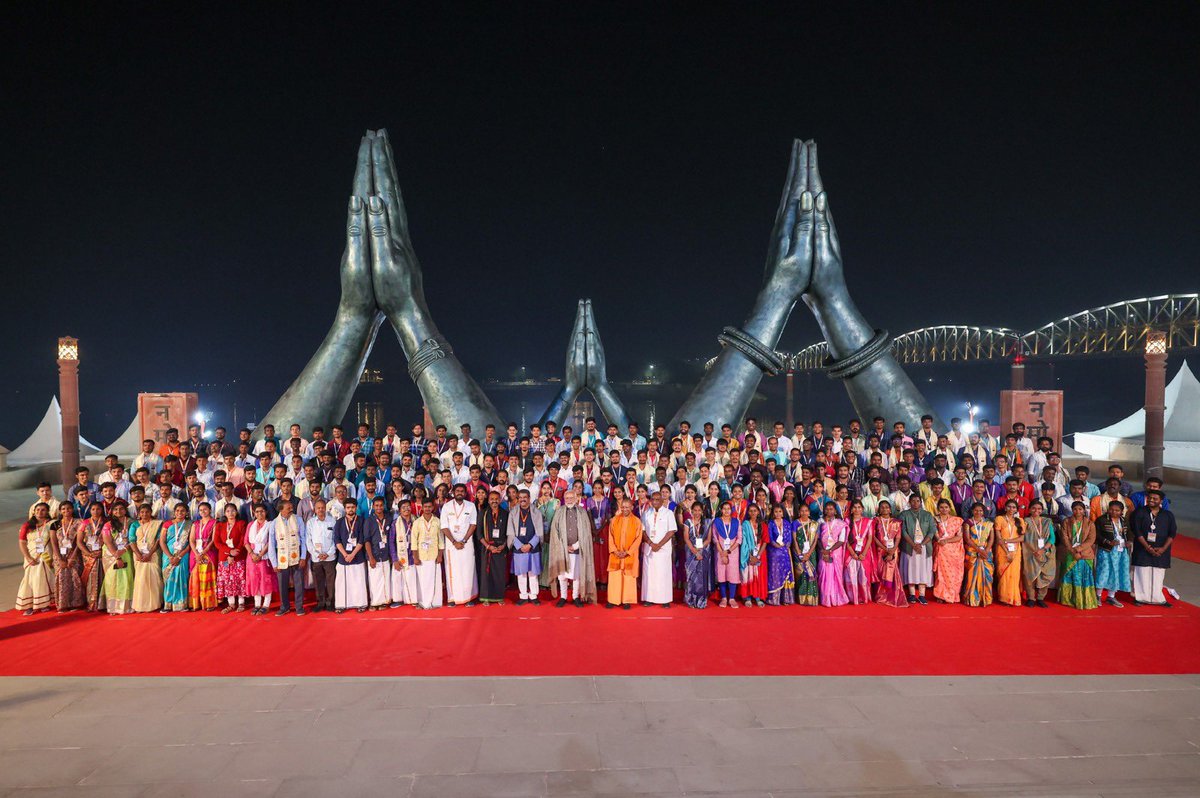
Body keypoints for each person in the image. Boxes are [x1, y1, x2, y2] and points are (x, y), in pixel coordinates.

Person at [548, 488, 597, 606]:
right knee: (562, 576)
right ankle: (563, 597)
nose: (569, 500)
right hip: (562, 550)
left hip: (577, 549)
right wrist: (564, 546)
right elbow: (555, 532)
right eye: (567, 498)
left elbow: (586, 532)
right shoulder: (559, 512)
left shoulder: (582, 512)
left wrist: (575, 546)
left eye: (571, 498)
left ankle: (575, 597)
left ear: (576, 499)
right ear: (564, 500)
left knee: (576, 575)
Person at [1130, 490, 1176, 607]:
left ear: (1161, 501)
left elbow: (1172, 533)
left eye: (1154, 499)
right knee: (1142, 573)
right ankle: (1140, 598)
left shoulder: (1168, 515)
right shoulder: (1139, 512)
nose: (1151, 500)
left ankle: (1158, 599)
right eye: (1149, 498)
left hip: (1161, 550)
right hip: (1142, 548)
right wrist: (1147, 547)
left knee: (1158, 574)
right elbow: (1137, 531)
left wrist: (1163, 549)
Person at [439, 484, 478, 607]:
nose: (459, 493)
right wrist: (454, 542)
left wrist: (464, 540)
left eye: (462, 491)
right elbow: (444, 526)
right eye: (457, 491)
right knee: (453, 570)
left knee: (468, 570)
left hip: (467, 543)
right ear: (453, 492)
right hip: (452, 544)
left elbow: (473, 525)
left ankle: (469, 597)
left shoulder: (471, 506)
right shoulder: (446, 506)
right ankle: (452, 598)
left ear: (465, 493)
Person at [269, 500, 308, 615]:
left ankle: (299, 607)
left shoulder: (298, 519)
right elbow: (271, 544)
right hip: (282, 558)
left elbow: (303, 538)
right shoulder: (274, 523)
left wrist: (303, 556)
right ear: (281, 510)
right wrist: (274, 563)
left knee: (299, 584)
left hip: (296, 557)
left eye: (292, 507)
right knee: (282, 585)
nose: (291, 509)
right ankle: (284, 607)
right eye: (288, 508)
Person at [1058, 501, 1099, 610]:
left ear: (1084, 510)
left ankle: (1085, 599)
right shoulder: (1066, 522)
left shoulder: (1090, 523)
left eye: (1080, 509)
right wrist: (1072, 551)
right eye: (1075, 509)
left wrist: (1078, 549)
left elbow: (1091, 539)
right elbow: (1064, 537)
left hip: (1085, 554)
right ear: (1072, 510)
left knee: (1084, 577)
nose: (1078, 511)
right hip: (1070, 553)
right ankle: (1068, 599)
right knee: (1070, 576)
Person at [16, 503, 55, 615]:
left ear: (47, 511)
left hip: (46, 555)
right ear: (34, 511)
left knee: (43, 578)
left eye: (43, 510)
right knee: (30, 579)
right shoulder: (27, 525)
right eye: (37, 510)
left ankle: (43, 603)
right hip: (31, 556)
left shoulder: (51, 524)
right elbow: (22, 543)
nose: (40, 512)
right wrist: (28, 557)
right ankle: (29, 604)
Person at [508, 489, 544, 605]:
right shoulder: (513, 512)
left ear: (529, 498)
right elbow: (510, 531)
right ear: (518, 499)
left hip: (533, 547)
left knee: (533, 573)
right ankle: (523, 596)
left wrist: (530, 545)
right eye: (520, 497)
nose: (522, 499)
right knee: (521, 573)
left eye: (525, 497)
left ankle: (533, 596)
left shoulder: (536, 512)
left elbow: (539, 531)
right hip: (519, 548)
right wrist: (519, 545)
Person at [640, 492, 676, 608]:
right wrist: (651, 543)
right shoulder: (646, 514)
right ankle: (649, 598)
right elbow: (642, 531)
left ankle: (665, 599)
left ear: (662, 500)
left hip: (663, 549)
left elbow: (671, 531)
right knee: (649, 574)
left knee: (663, 574)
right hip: (649, 548)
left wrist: (659, 545)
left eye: (657, 499)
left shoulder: (668, 513)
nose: (655, 501)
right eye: (653, 499)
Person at [606, 498, 643, 609]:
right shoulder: (614, 520)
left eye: (627, 507)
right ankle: (613, 600)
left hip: (629, 555)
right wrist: (615, 550)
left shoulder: (637, 521)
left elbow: (638, 539)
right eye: (623, 507)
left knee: (628, 577)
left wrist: (628, 552)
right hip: (616, 554)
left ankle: (627, 600)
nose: (625, 509)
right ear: (620, 507)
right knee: (615, 577)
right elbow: (610, 536)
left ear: (632, 507)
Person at [899, 494, 935, 605]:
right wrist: (913, 545)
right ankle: (912, 594)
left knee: (923, 570)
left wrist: (922, 544)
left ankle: (922, 595)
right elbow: (903, 531)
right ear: (909, 502)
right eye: (913, 501)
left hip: (924, 547)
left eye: (918, 501)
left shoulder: (928, 515)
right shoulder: (904, 515)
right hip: (910, 547)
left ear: (921, 502)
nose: (915, 503)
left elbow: (932, 531)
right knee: (911, 569)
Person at [1094, 499, 1130, 608]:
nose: (1114, 512)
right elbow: (1097, 535)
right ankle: (1098, 596)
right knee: (1103, 572)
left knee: (1117, 572)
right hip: (1106, 550)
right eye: (1112, 510)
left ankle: (1111, 596)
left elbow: (1130, 533)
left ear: (1121, 511)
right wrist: (1109, 542)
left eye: (1117, 510)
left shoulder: (1124, 521)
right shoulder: (1101, 520)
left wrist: (1129, 541)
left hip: (1121, 551)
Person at [100, 501, 134, 614]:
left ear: (125, 510)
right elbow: (108, 541)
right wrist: (117, 556)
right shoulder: (108, 525)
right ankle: (113, 607)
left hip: (128, 552)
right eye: (115, 510)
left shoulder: (132, 523)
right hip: (111, 555)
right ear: (112, 512)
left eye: (121, 509)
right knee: (112, 579)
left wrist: (124, 550)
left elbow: (134, 539)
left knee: (127, 578)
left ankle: (127, 607)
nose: (118, 511)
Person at [50, 503, 85, 611]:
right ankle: (62, 604)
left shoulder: (79, 522)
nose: (66, 510)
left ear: (72, 509)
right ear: (60, 511)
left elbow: (80, 541)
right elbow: (54, 543)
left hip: (75, 554)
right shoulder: (55, 524)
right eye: (63, 509)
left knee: (74, 578)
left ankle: (76, 603)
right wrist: (59, 559)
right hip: (59, 555)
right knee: (61, 579)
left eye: (68, 508)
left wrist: (73, 556)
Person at [130, 504, 164, 613]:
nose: (144, 514)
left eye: (147, 512)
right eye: (142, 512)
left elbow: (158, 540)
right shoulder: (134, 525)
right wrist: (138, 554)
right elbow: (132, 540)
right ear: (138, 513)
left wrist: (150, 554)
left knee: (155, 579)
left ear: (151, 512)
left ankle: (155, 604)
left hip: (153, 555)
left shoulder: (157, 524)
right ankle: (141, 604)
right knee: (141, 580)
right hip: (139, 555)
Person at [1021, 500, 1056, 608]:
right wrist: (1033, 550)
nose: (1036, 511)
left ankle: (1041, 598)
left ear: (1042, 510)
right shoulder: (1025, 521)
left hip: (1046, 553)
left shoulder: (1047, 521)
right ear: (1029, 509)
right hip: (1030, 552)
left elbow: (1052, 538)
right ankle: (1031, 598)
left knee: (1045, 575)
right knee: (1029, 575)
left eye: (1039, 509)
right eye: (1034, 508)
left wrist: (1043, 550)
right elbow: (1023, 537)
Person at [872, 501, 906, 607]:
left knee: (892, 572)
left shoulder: (896, 522)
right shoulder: (875, 521)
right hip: (879, 550)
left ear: (890, 510)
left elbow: (898, 537)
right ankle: (880, 596)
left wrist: (892, 550)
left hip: (893, 551)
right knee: (880, 572)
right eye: (882, 507)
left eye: (887, 507)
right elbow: (873, 537)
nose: (885, 509)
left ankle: (892, 596)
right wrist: (884, 548)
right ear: (879, 510)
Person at [243, 503, 276, 615]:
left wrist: (260, 555)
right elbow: (246, 541)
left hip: (264, 556)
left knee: (266, 579)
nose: (259, 514)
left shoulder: (270, 524)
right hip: (251, 557)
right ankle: (257, 604)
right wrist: (252, 554)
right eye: (257, 512)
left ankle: (266, 604)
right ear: (254, 513)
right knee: (254, 579)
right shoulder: (250, 525)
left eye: (262, 511)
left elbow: (270, 542)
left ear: (266, 512)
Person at [215, 503, 248, 613]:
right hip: (224, 559)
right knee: (227, 580)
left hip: (238, 557)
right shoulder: (220, 526)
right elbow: (217, 542)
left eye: (233, 510)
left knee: (239, 579)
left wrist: (234, 554)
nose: (231, 513)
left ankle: (241, 603)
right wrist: (229, 552)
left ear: (237, 512)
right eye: (228, 511)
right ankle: (231, 604)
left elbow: (243, 540)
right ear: (224, 513)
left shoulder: (241, 524)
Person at [412, 499, 445, 609]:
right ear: (422, 507)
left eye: (429, 507)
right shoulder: (417, 523)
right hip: (421, 556)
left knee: (434, 579)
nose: (427, 509)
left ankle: (435, 602)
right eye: (425, 507)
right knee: (423, 580)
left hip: (434, 555)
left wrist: (440, 555)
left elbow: (441, 540)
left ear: (433, 508)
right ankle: (424, 602)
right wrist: (415, 557)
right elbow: (414, 541)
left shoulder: (437, 521)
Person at [477, 491, 509, 604]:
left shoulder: (505, 513)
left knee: (499, 573)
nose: (494, 501)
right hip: (487, 548)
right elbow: (479, 534)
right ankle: (486, 598)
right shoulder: (483, 513)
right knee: (486, 574)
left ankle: (499, 597)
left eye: (496, 499)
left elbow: (508, 532)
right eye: (492, 499)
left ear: (500, 500)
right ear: (488, 500)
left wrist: (504, 545)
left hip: (501, 547)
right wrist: (488, 546)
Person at [681, 501, 713, 608]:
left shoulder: (708, 522)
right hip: (690, 552)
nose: (697, 512)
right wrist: (695, 551)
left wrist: (700, 549)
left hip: (703, 551)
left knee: (701, 576)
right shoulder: (688, 522)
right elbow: (686, 538)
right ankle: (690, 599)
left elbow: (708, 539)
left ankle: (701, 600)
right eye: (695, 510)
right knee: (691, 576)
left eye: (699, 510)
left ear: (702, 511)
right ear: (691, 511)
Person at [188, 502, 219, 611]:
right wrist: (197, 553)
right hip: (195, 553)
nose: (203, 512)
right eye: (200, 510)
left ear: (210, 510)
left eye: (205, 509)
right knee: (196, 577)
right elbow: (191, 540)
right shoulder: (195, 523)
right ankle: (196, 604)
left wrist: (204, 551)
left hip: (208, 552)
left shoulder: (214, 522)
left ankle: (209, 603)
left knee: (207, 577)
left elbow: (213, 539)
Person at [817, 502, 849, 607]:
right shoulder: (820, 522)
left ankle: (836, 598)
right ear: (824, 510)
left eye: (831, 509)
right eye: (827, 509)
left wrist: (829, 550)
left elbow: (841, 540)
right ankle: (825, 598)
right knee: (824, 574)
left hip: (835, 553)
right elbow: (817, 538)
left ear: (835, 511)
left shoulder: (841, 523)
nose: (829, 511)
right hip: (823, 552)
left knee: (835, 576)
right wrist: (823, 550)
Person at [932, 499, 964, 603]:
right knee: (941, 574)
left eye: (946, 507)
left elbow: (959, 537)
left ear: (950, 508)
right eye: (941, 507)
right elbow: (935, 534)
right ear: (938, 508)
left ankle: (952, 595)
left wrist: (947, 540)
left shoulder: (957, 520)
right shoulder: (935, 520)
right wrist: (940, 540)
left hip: (955, 552)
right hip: (941, 550)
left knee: (954, 575)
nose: (944, 509)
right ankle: (941, 595)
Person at [993, 500, 1024, 607]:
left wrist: (1008, 541)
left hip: (1016, 551)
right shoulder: (999, 519)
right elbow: (998, 538)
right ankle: (1004, 598)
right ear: (1005, 508)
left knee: (1014, 575)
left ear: (1016, 509)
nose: (1011, 509)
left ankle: (1013, 598)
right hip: (1002, 550)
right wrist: (1007, 552)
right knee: (1003, 574)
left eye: (1014, 507)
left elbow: (1022, 537)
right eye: (1009, 507)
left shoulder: (1020, 520)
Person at [962, 503, 994, 607]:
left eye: (980, 510)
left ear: (984, 512)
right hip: (973, 552)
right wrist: (979, 551)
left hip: (986, 552)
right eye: (976, 510)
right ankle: (972, 598)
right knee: (972, 576)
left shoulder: (989, 523)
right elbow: (967, 539)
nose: (978, 512)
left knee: (987, 576)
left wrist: (986, 550)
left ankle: (985, 598)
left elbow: (991, 538)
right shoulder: (968, 523)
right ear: (972, 511)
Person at [711, 501, 742, 608]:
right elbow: (715, 539)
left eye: (728, 508)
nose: (726, 511)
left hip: (732, 552)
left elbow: (739, 539)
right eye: (724, 508)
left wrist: (728, 551)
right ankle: (724, 598)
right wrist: (722, 552)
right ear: (721, 510)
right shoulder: (717, 522)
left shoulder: (736, 522)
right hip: (720, 551)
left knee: (732, 574)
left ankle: (732, 598)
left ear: (731, 510)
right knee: (721, 574)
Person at [389, 501, 418, 607]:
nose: (406, 509)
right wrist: (394, 559)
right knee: (398, 578)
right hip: (400, 555)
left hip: (413, 554)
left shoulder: (417, 521)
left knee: (412, 578)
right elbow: (391, 542)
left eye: (408, 507)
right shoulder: (395, 523)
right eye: (403, 507)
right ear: (399, 510)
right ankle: (398, 600)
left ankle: (414, 599)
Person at [78, 501, 107, 611]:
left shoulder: (106, 522)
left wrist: (103, 551)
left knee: (103, 577)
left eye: (98, 509)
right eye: (93, 509)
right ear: (90, 510)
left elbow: (111, 539)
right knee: (91, 579)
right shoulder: (84, 523)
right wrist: (88, 553)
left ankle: (103, 603)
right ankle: (92, 603)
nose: (96, 511)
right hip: (88, 555)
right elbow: (79, 541)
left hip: (103, 553)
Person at [764, 503, 795, 605]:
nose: (778, 514)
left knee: (786, 572)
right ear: (773, 513)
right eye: (776, 512)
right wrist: (775, 545)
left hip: (785, 551)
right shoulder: (771, 524)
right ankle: (774, 599)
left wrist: (786, 545)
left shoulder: (787, 523)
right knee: (775, 573)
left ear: (783, 513)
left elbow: (789, 538)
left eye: (780, 511)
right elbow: (770, 538)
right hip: (774, 552)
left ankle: (786, 599)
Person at [738, 503, 768, 607]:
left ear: (758, 512)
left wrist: (758, 556)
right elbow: (744, 540)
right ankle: (747, 597)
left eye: (755, 511)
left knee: (758, 576)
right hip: (748, 554)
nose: (753, 513)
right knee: (748, 575)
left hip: (760, 554)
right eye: (750, 511)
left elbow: (765, 541)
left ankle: (758, 597)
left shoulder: (763, 525)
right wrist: (751, 556)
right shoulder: (745, 524)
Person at [843, 500, 872, 604]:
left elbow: (869, 538)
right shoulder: (846, 521)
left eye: (859, 507)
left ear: (863, 509)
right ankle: (852, 598)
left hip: (864, 553)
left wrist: (863, 553)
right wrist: (853, 553)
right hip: (850, 553)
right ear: (851, 510)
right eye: (854, 507)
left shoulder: (868, 521)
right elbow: (845, 539)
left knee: (863, 577)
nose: (857, 509)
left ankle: (863, 598)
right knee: (851, 575)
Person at [790, 503, 819, 606]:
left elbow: (815, 540)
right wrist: (799, 553)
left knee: (811, 575)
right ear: (799, 512)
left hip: (811, 554)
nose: (804, 512)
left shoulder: (815, 524)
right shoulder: (795, 523)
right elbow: (794, 539)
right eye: (802, 511)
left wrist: (808, 554)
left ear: (809, 512)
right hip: (799, 554)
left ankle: (811, 599)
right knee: (802, 574)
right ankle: (801, 599)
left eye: (806, 510)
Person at [535, 482, 559, 590]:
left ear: (551, 489)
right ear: (541, 489)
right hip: (539, 534)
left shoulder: (556, 502)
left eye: (548, 488)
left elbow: (558, 519)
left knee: (551, 558)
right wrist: (541, 534)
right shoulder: (536, 503)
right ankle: (540, 582)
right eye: (544, 488)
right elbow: (534, 519)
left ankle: (550, 582)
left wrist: (551, 533)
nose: (546, 490)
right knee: (539, 558)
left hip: (552, 534)